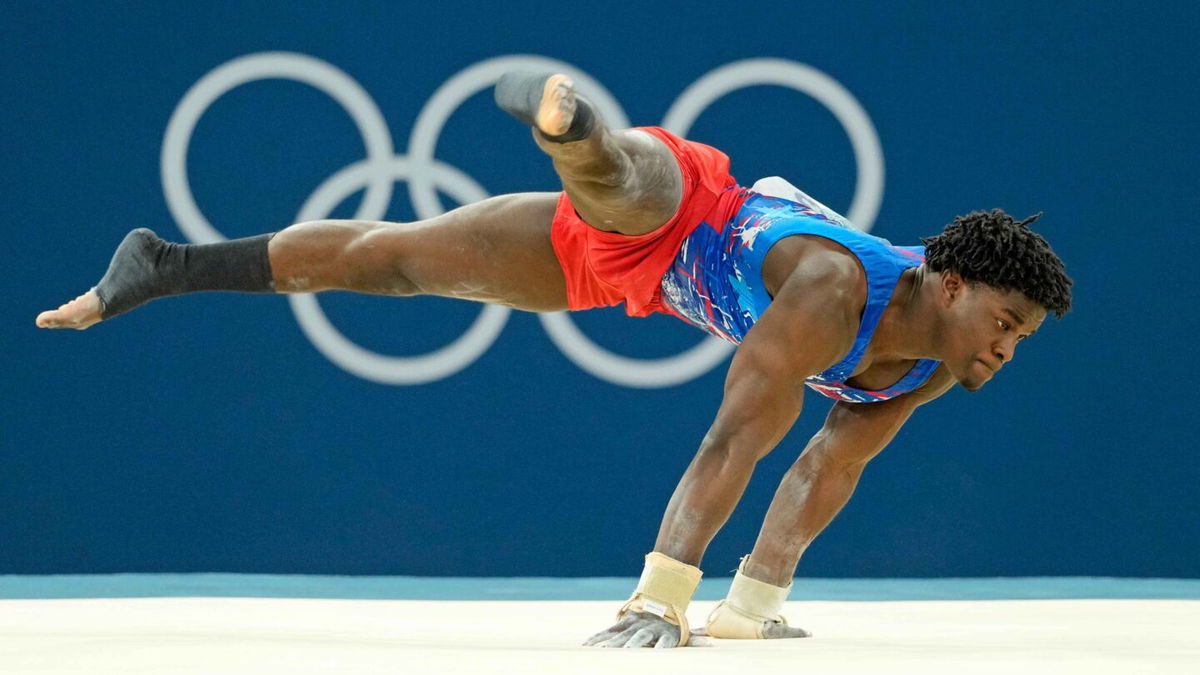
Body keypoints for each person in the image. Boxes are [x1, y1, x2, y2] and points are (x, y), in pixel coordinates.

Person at [36, 73, 1073, 648]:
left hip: (643, 281)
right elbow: (741, 439)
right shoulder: (832, 291)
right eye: (1006, 317)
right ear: (946, 280)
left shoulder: (923, 366)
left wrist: (755, 609)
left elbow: (826, 470)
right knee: (620, 180)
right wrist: (661, 599)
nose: (1005, 346)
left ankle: (159, 265)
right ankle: (576, 131)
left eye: (1022, 336)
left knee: (392, 266)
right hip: (689, 211)